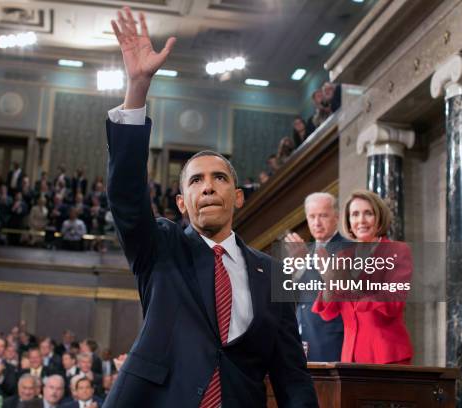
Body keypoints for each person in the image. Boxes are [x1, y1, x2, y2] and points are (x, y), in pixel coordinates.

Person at [103, 7, 317, 408]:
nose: (208, 187)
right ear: (182, 204)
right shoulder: (161, 249)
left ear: (237, 196)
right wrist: (137, 89)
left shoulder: (272, 275)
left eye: (220, 178)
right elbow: (127, 198)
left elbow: (292, 375)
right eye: (196, 181)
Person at [312, 189, 413, 364]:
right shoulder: (343, 257)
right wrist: (329, 282)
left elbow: (394, 302)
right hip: (350, 358)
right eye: (355, 214)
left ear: (379, 217)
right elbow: (328, 312)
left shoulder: (397, 251)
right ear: (349, 222)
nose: (361, 220)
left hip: (387, 354)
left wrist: (350, 288)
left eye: (368, 213)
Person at [285, 192, 349, 362]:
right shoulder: (304, 250)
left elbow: (340, 294)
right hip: (302, 339)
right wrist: (292, 272)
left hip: (331, 340)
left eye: (323, 216)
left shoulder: (349, 248)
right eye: (312, 216)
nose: (317, 223)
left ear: (336, 216)